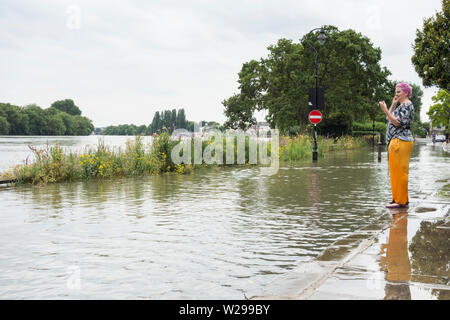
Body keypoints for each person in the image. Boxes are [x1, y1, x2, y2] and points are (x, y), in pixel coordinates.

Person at [379, 83, 415, 208]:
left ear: (406, 93)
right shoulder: (401, 106)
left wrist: (385, 109)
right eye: (396, 91)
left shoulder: (407, 105)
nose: (396, 94)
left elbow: (397, 122)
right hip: (396, 140)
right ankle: (397, 199)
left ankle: (401, 201)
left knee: (400, 172)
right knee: (394, 172)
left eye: (399, 92)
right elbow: (388, 117)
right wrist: (393, 104)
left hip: (401, 140)